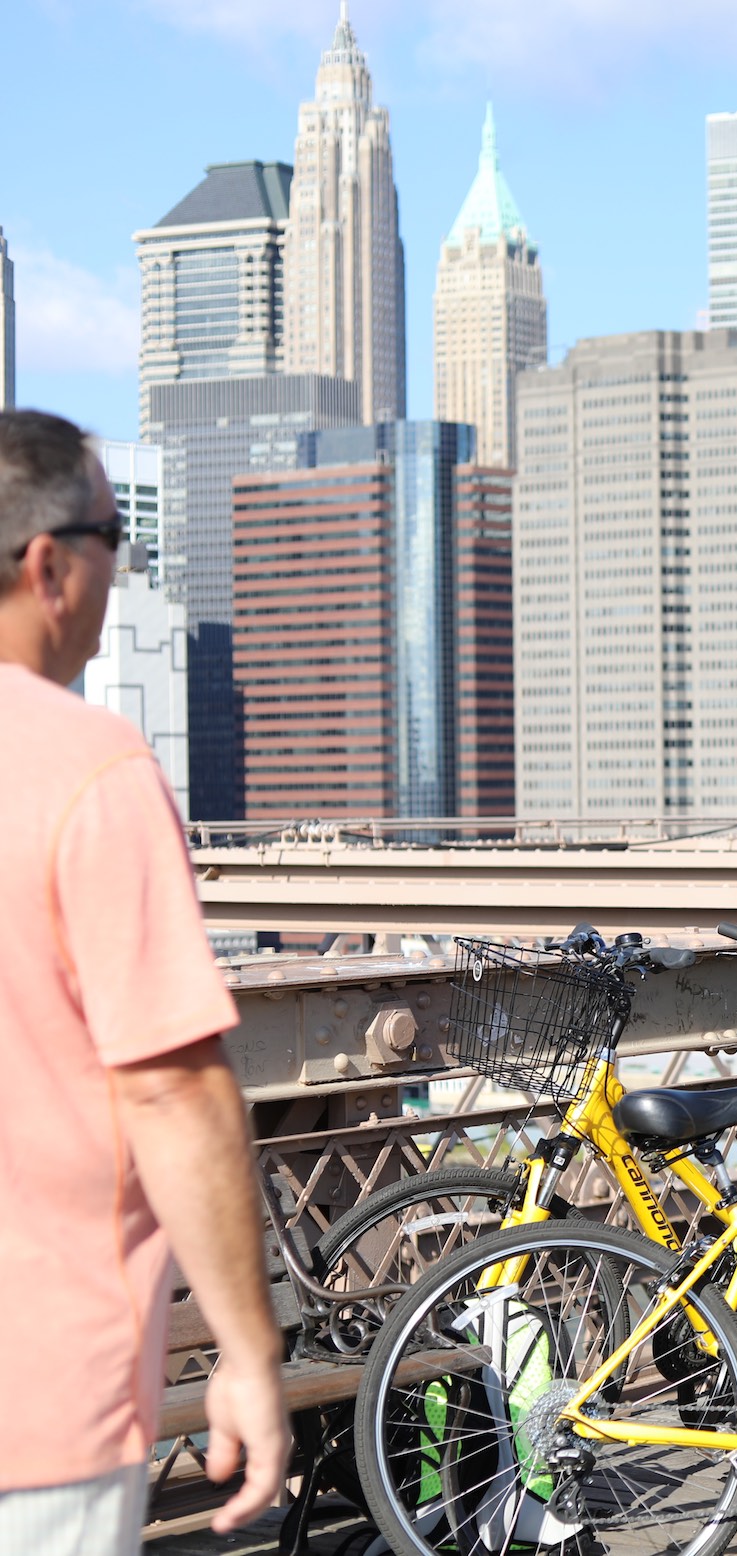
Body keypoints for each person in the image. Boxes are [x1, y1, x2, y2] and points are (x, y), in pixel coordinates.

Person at [0, 410, 286, 1550]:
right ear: (48, 563)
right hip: (38, 1390)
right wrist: (249, 1353)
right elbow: (171, 1088)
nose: (126, 565)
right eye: (120, 533)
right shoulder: (90, 769)